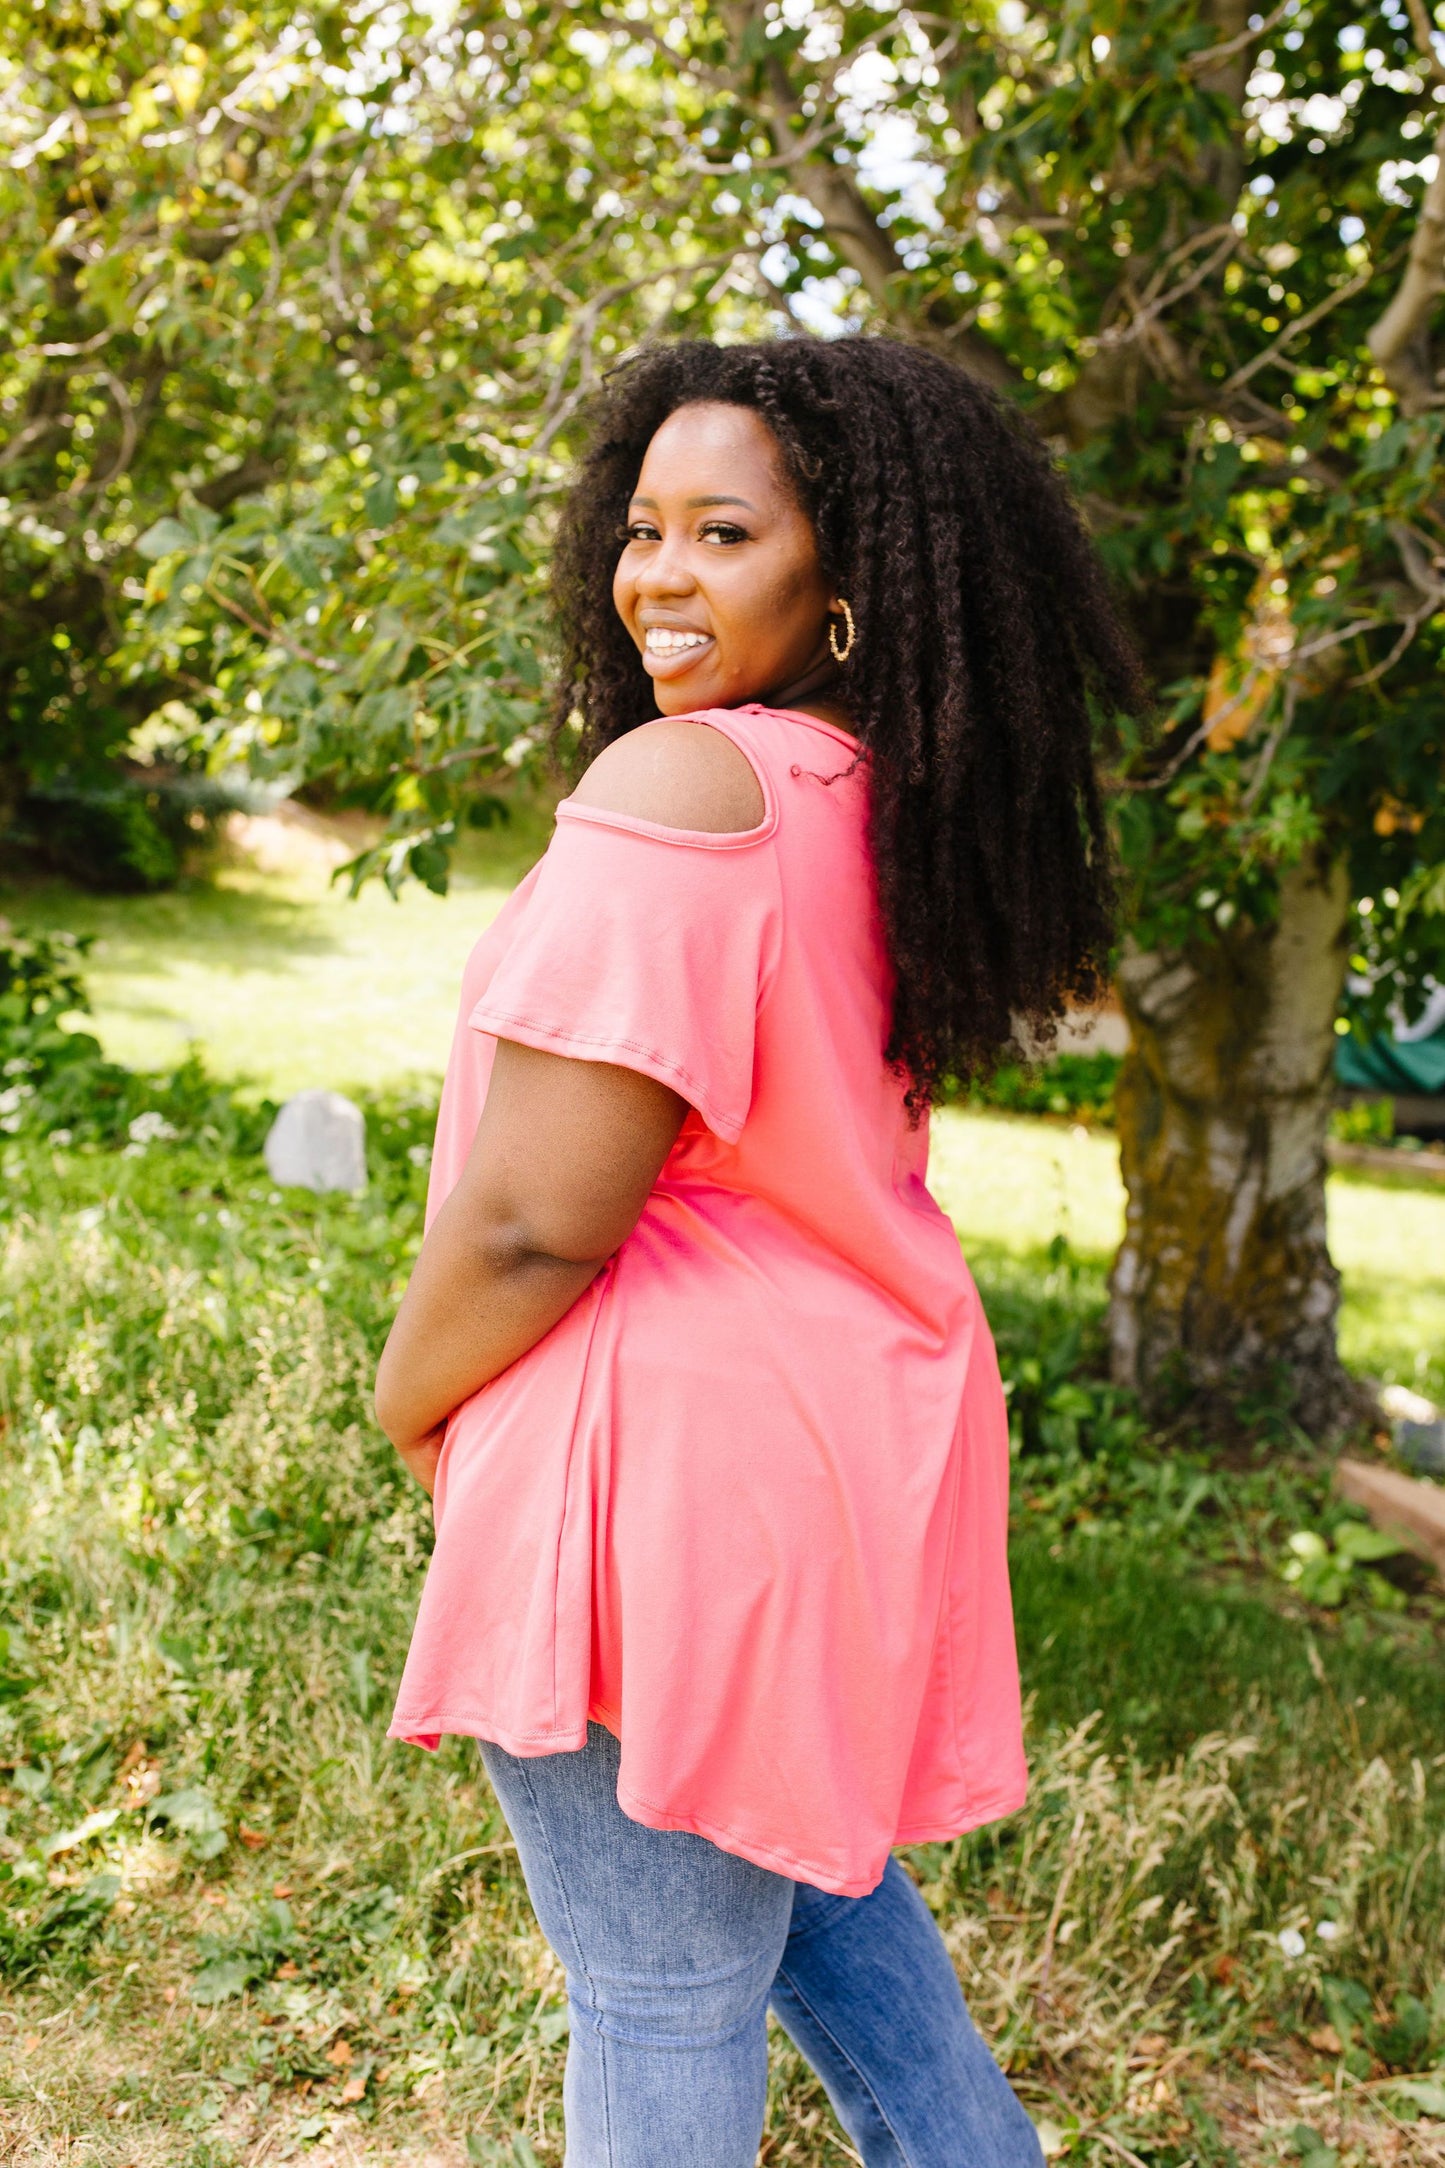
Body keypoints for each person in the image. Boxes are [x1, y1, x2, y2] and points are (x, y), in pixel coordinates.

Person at [375, 335, 1142, 2166]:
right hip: (830, 1461)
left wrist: (410, 1399)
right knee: (821, 1912)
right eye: (644, 526)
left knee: (658, 2003)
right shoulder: (865, 802)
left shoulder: (678, 793)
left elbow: (534, 1214)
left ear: (849, 577)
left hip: (663, 1479)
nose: (657, 574)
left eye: (724, 531)